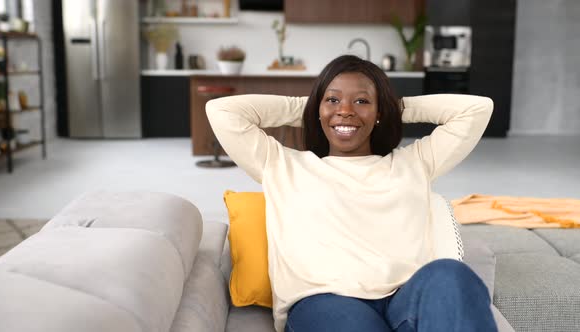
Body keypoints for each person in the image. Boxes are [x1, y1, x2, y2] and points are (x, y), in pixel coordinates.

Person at [206, 55, 497, 332]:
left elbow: (476, 109)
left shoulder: (415, 162)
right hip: (325, 300)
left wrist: (392, 107)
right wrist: (312, 109)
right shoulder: (281, 164)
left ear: (379, 111)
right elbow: (222, 111)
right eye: (332, 99)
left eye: (362, 101)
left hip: (405, 297)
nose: (345, 110)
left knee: (451, 275)